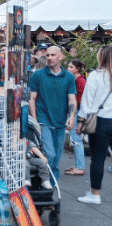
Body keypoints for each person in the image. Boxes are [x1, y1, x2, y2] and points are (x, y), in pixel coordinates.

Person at [29, 46, 77, 182]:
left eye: (53, 55)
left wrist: (72, 116)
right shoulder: (38, 75)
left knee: (56, 158)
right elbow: (32, 98)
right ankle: (44, 181)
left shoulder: (68, 77)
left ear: (60, 57)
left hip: (60, 121)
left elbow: (72, 98)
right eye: (48, 55)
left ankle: (51, 184)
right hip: (43, 120)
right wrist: (35, 120)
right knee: (49, 154)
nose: (49, 58)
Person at [77, 46, 113, 205]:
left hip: (99, 122)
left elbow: (86, 101)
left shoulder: (95, 76)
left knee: (98, 160)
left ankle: (95, 194)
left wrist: (80, 121)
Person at [65, 58, 87, 177]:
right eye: (68, 67)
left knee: (76, 140)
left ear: (77, 69)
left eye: (71, 67)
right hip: (76, 110)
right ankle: (78, 164)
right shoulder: (77, 79)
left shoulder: (79, 81)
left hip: (77, 111)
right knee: (74, 139)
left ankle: (79, 167)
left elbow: (80, 99)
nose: (69, 69)